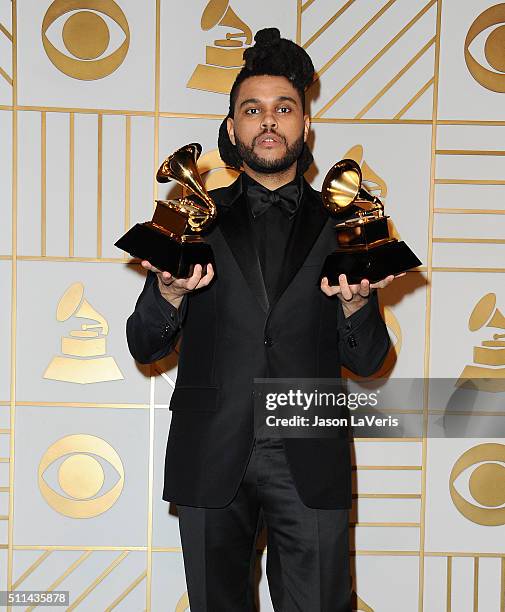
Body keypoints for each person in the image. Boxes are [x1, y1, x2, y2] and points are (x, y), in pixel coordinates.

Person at [127, 28, 397, 612]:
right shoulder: (191, 216)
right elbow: (144, 342)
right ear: (232, 128)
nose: (268, 122)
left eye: (284, 109)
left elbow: (371, 360)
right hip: (211, 448)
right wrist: (169, 295)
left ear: (305, 125)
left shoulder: (346, 224)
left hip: (311, 450)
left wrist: (355, 304)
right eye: (253, 110)